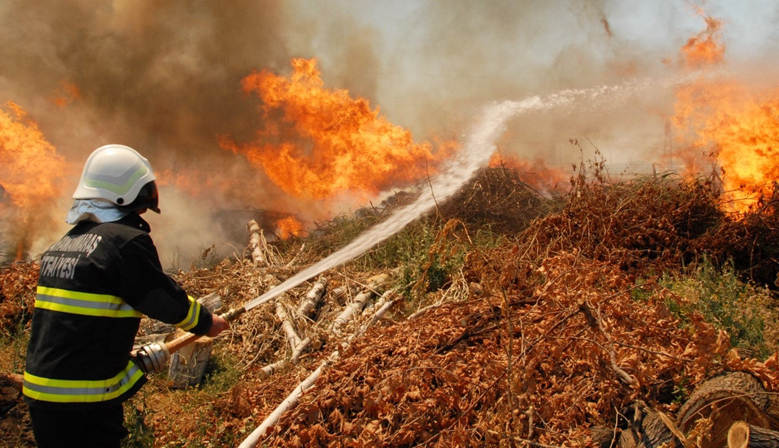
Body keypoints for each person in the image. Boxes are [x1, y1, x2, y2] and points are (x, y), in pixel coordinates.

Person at [23, 144, 230, 448]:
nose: (143, 208)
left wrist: (139, 363)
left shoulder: (64, 245)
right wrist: (206, 322)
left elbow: (80, 332)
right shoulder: (123, 242)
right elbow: (161, 297)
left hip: (43, 396)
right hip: (82, 400)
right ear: (125, 193)